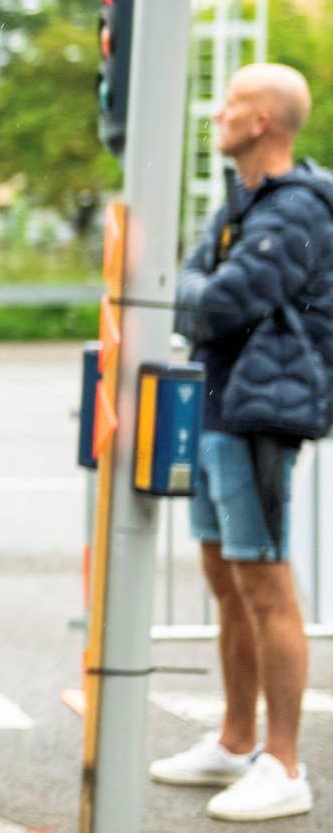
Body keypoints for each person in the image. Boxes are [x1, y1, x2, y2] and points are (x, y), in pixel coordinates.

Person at [151, 62, 333, 822]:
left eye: (230, 103)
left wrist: (190, 295)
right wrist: (192, 292)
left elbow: (219, 300)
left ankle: (284, 764)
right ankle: (233, 740)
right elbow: (191, 280)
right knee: (225, 579)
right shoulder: (242, 204)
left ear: (262, 122)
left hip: (261, 413)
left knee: (265, 585)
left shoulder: (295, 212)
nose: (217, 113)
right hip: (221, 406)